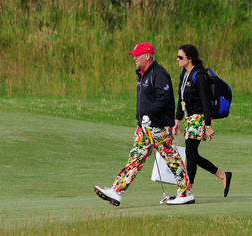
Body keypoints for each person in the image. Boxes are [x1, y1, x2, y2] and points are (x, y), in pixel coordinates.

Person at [94, 42, 194, 206]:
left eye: (137, 55)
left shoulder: (159, 73)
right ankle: (117, 191)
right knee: (135, 158)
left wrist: (148, 116)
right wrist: (141, 122)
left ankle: (186, 193)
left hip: (159, 126)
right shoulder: (143, 74)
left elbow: (164, 98)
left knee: (172, 159)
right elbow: (144, 102)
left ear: (147, 56)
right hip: (146, 127)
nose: (134, 58)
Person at [173, 44, 232, 197]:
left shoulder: (198, 76)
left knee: (191, 153)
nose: (177, 59)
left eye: (181, 57)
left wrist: (208, 125)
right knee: (193, 155)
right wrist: (177, 119)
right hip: (189, 118)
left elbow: (205, 102)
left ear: (190, 59)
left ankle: (187, 189)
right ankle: (222, 175)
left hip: (199, 118)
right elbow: (181, 98)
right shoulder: (183, 74)